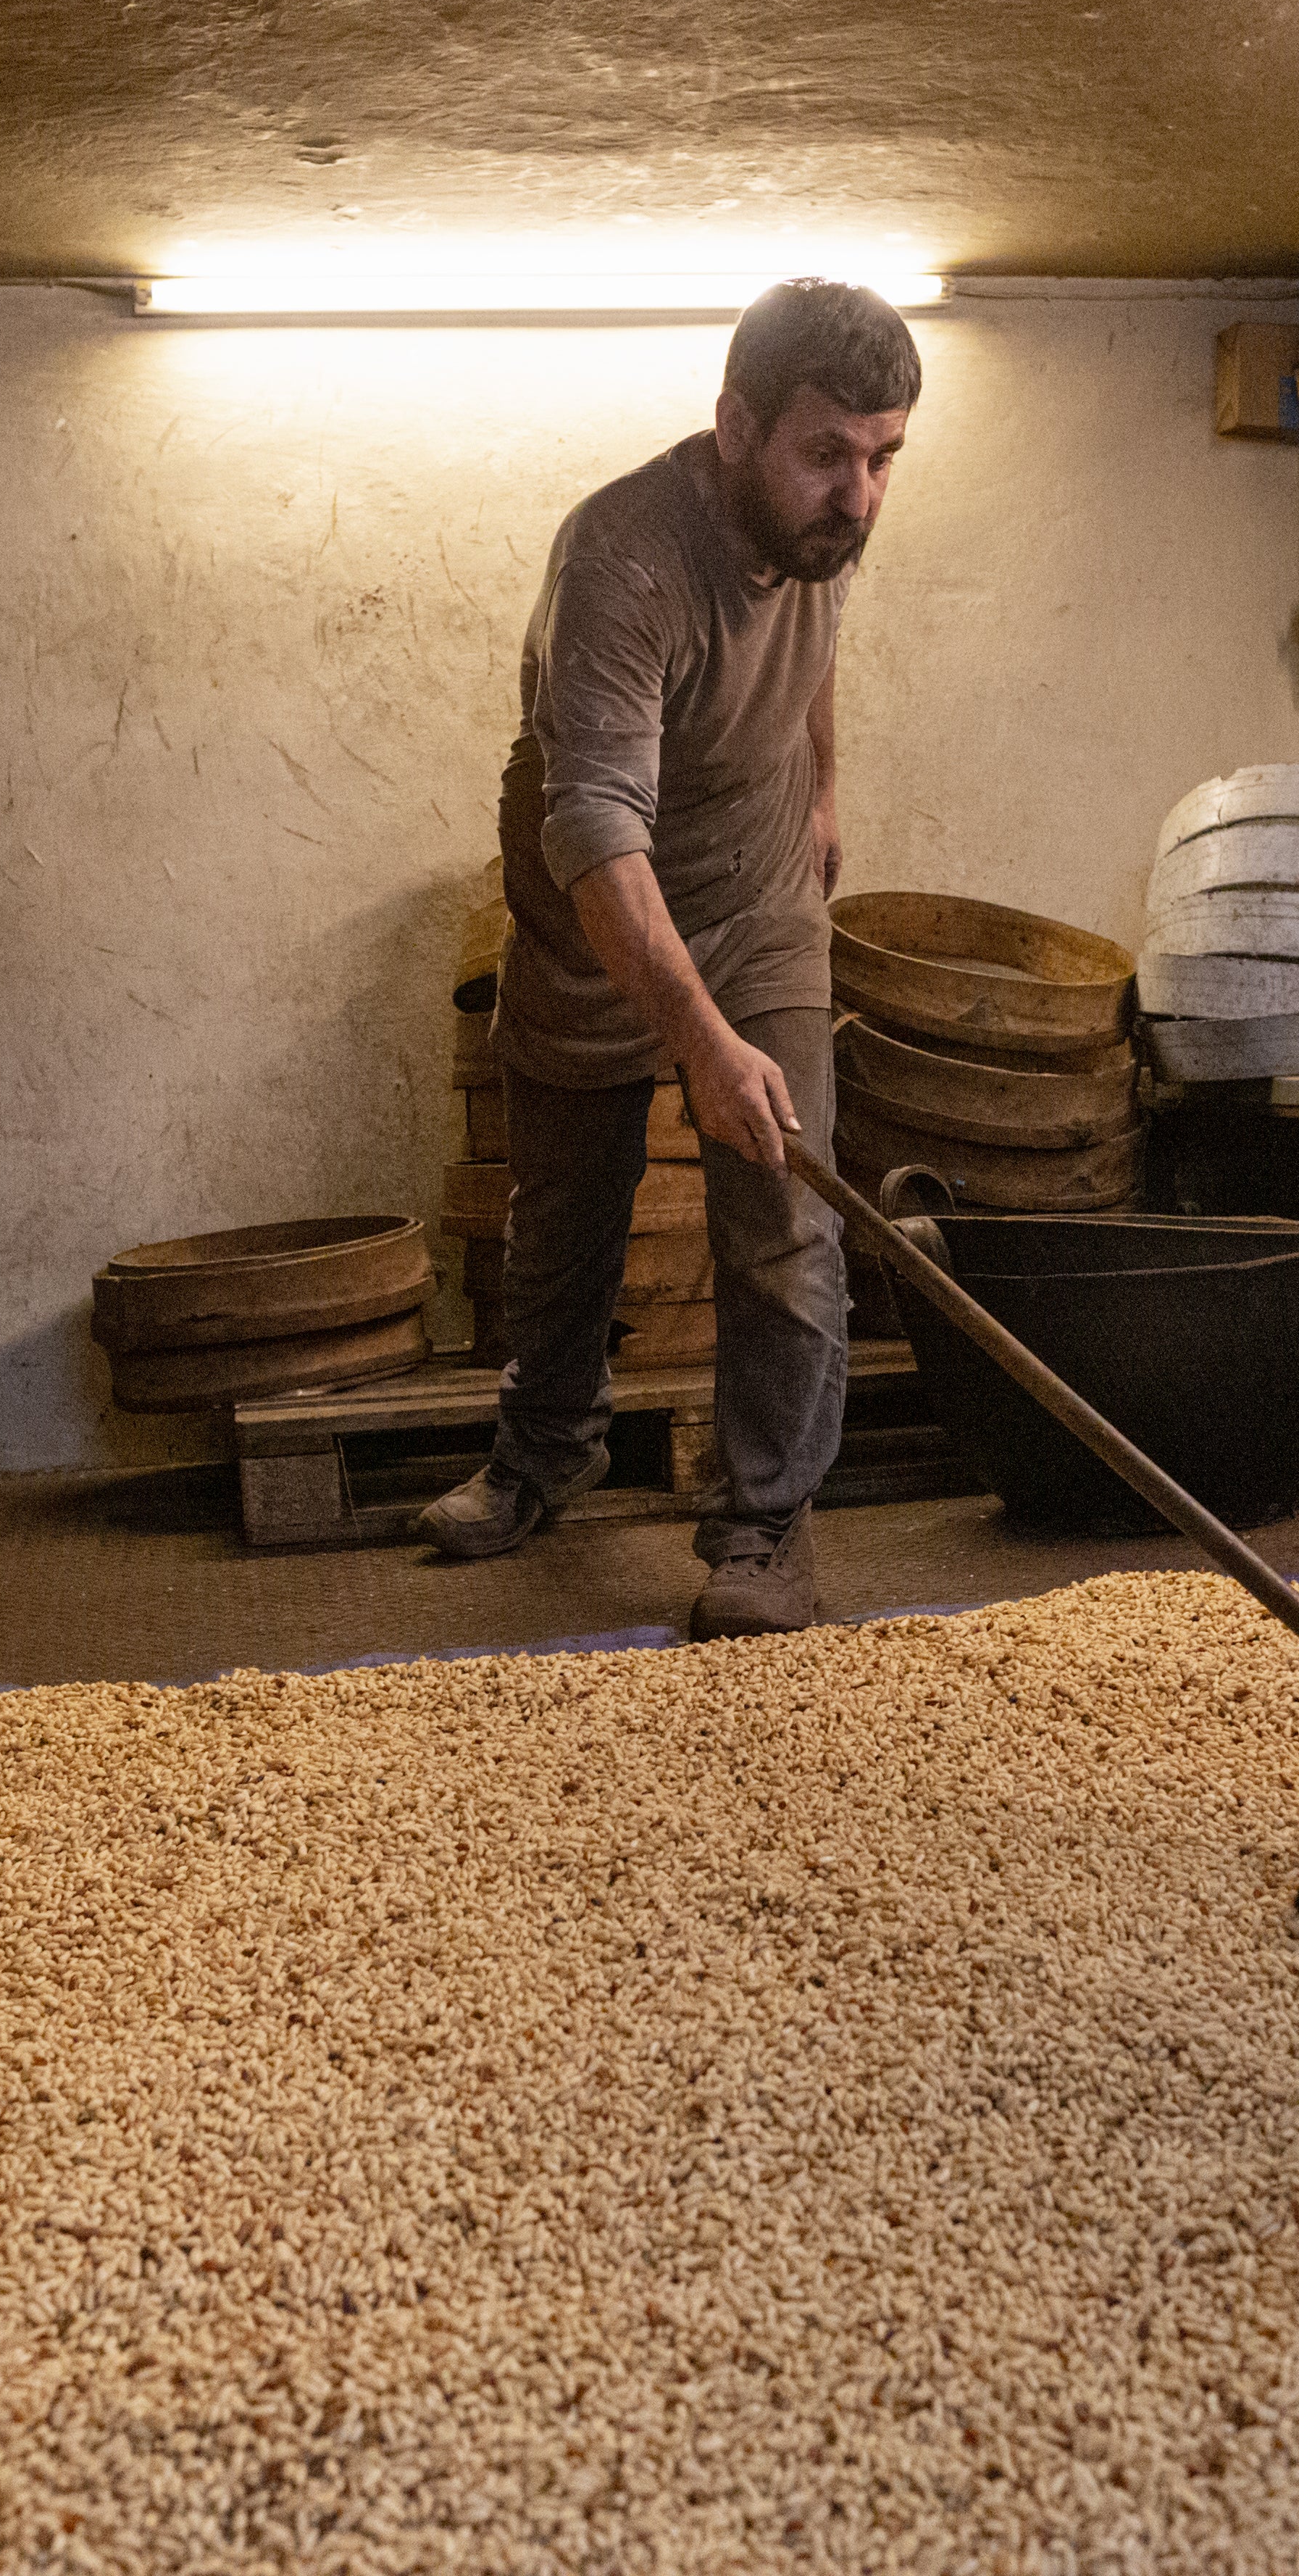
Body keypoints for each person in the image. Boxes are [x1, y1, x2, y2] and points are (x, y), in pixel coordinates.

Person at [417, 278, 918, 1637]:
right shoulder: (623, 561)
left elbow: (813, 643)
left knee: (784, 1218)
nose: (858, 497)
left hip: (756, 900)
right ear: (736, 425)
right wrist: (698, 1044)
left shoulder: (821, 530)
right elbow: (594, 829)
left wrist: (822, 791)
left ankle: (765, 1521)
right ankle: (544, 1452)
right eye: (827, 455)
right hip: (599, 907)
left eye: (883, 460)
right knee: (564, 1220)